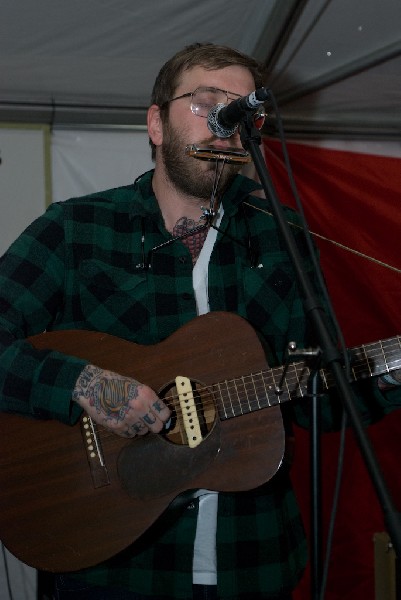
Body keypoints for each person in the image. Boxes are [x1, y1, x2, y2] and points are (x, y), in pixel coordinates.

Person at [1, 42, 401, 600]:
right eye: (206, 102)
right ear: (156, 124)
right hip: (112, 565)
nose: (225, 122)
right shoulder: (77, 229)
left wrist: (386, 372)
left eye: (242, 109)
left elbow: (318, 393)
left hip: (252, 561)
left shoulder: (280, 237)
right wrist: (80, 384)